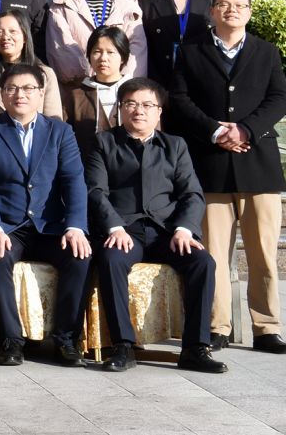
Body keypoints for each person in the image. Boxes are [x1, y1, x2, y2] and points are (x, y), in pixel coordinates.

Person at [166, 0, 286, 354]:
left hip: (258, 165)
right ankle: (216, 326)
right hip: (210, 166)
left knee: (263, 253)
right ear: (213, 11)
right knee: (213, 253)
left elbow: (279, 98)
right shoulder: (190, 52)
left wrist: (245, 129)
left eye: (240, 5)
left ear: (249, 11)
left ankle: (267, 328)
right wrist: (216, 131)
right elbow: (179, 99)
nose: (232, 10)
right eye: (224, 4)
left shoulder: (266, 52)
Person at [87, 78, 227, 374]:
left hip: (167, 232)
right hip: (124, 231)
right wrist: (114, 227)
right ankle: (123, 346)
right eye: (131, 104)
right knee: (111, 260)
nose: (139, 110)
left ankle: (195, 348)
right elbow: (96, 191)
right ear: (120, 109)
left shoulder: (175, 145)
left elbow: (192, 194)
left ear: (159, 111)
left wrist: (184, 229)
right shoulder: (103, 142)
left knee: (203, 262)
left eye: (147, 105)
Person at [0, 64, 92, 367]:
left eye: (27, 89)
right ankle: (10, 341)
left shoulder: (60, 131)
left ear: (41, 93)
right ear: (2, 95)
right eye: (12, 88)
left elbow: (74, 180)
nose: (19, 95)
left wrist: (75, 226)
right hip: (9, 225)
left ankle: (66, 340)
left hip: (50, 225)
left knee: (80, 257)